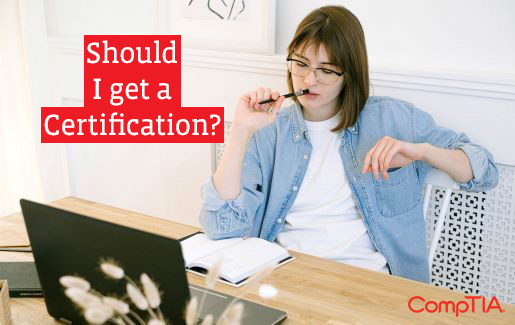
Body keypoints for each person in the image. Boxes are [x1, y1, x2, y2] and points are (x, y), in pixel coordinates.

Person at [198, 5, 498, 283]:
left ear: (349, 73)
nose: (309, 80)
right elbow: (222, 227)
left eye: (326, 70)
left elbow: (484, 173)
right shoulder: (269, 130)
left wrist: (423, 152)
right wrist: (239, 130)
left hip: (369, 283)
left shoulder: (394, 118)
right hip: (287, 276)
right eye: (300, 64)